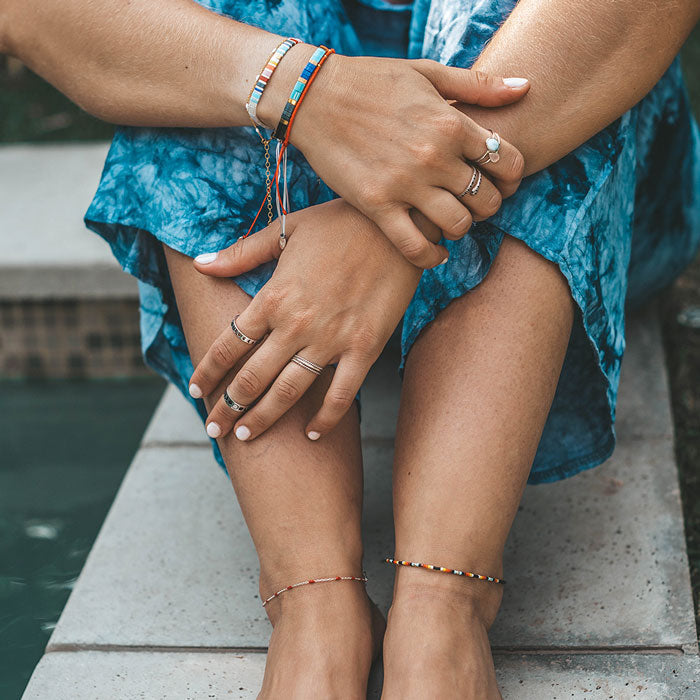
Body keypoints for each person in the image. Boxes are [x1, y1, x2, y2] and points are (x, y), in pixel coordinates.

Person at [5, 0, 700, 696]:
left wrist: (391, 217)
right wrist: (306, 92)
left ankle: (444, 603)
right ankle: (316, 601)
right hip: (311, 179)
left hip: (559, 154)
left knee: (535, 37)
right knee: (200, 35)